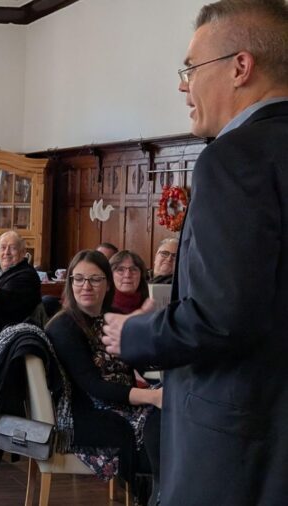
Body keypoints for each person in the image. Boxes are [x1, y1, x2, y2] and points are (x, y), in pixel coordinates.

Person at [102, 2, 288, 504]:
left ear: (240, 67)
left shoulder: (235, 158)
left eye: (190, 68)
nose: (183, 85)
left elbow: (224, 318)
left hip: (239, 446)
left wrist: (134, 331)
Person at [46, 250, 161, 501]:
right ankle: (155, 494)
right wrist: (151, 397)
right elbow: (93, 386)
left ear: (108, 284)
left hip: (118, 404)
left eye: (95, 279)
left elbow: (140, 363)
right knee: (157, 424)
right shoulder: (64, 325)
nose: (86, 286)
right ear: (71, 283)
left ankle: (164, 492)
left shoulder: (110, 318)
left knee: (176, 414)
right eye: (79, 279)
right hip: (85, 415)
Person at [109, 250, 148, 314]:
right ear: (111, 275)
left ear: (141, 275)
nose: (127, 275)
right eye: (120, 270)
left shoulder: (151, 305)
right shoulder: (101, 307)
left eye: (133, 269)